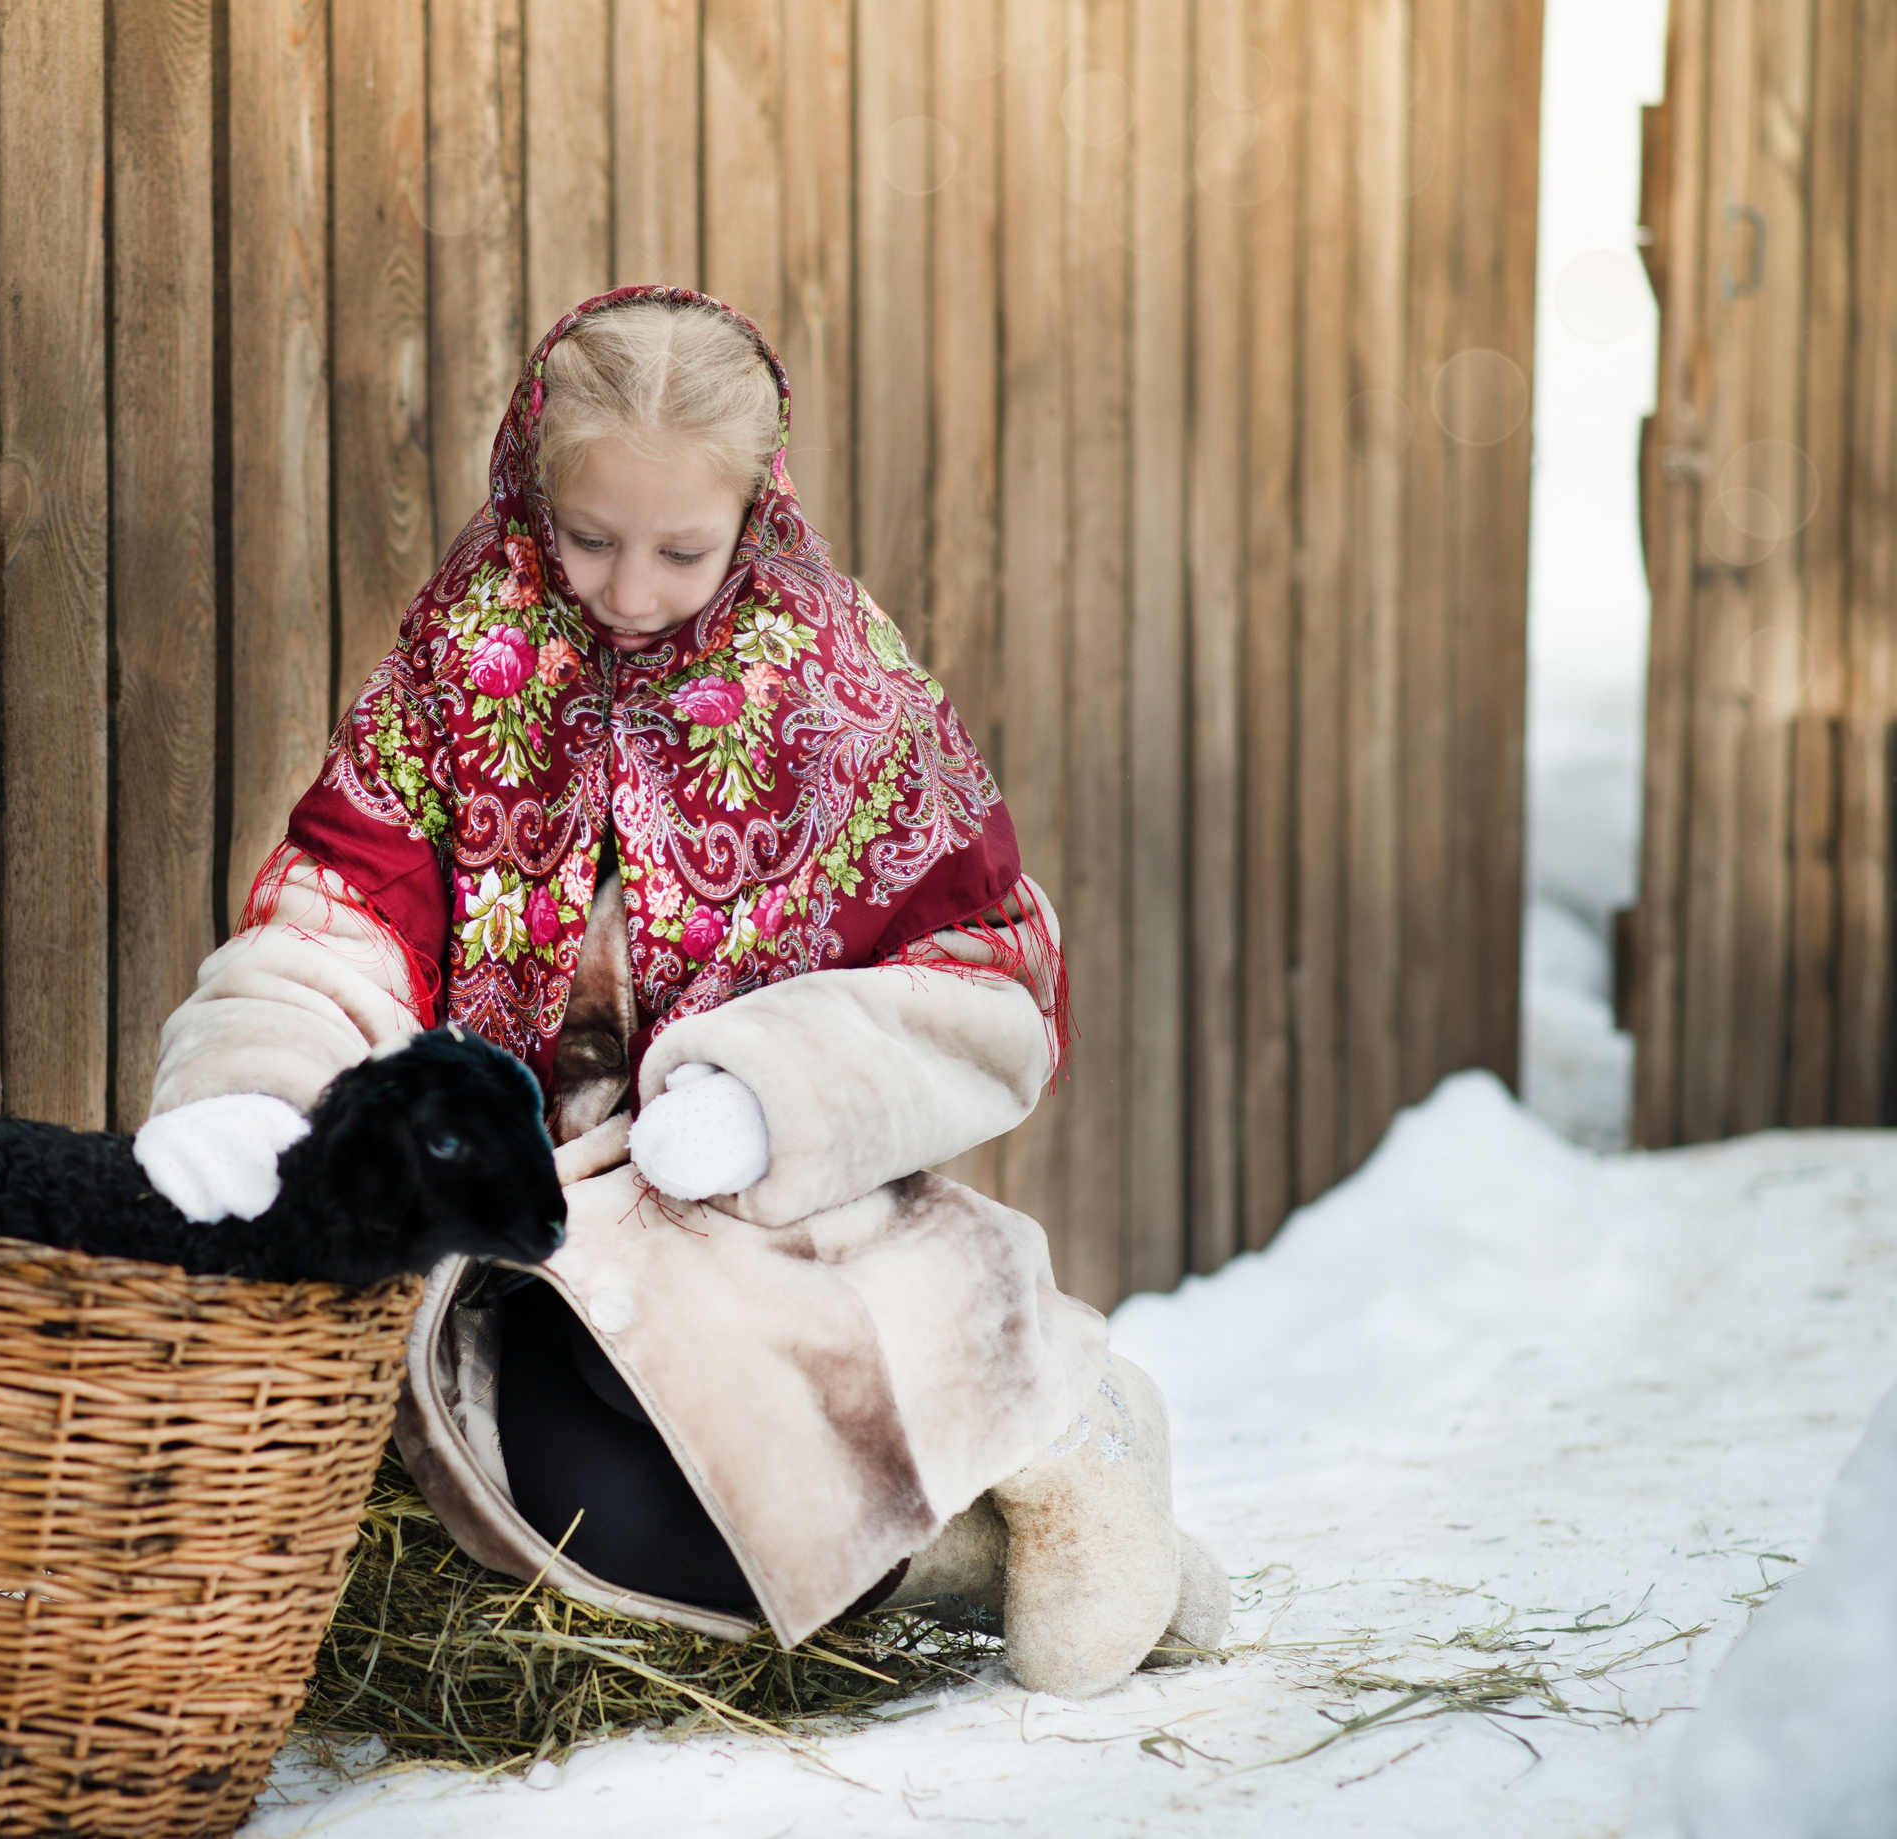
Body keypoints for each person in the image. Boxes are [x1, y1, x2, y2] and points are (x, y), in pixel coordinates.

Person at [136, 288, 1160, 1662]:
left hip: (753, 1197)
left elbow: (990, 974)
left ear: (757, 508)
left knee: (711, 1386)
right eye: (589, 538)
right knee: (567, 1488)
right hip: (538, 1204)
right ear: (529, 490)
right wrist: (261, 1084)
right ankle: (950, 1560)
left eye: (683, 550)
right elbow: (349, 895)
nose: (628, 592)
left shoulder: (831, 680)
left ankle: (1070, 1420)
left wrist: (768, 1091)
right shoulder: (467, 658)